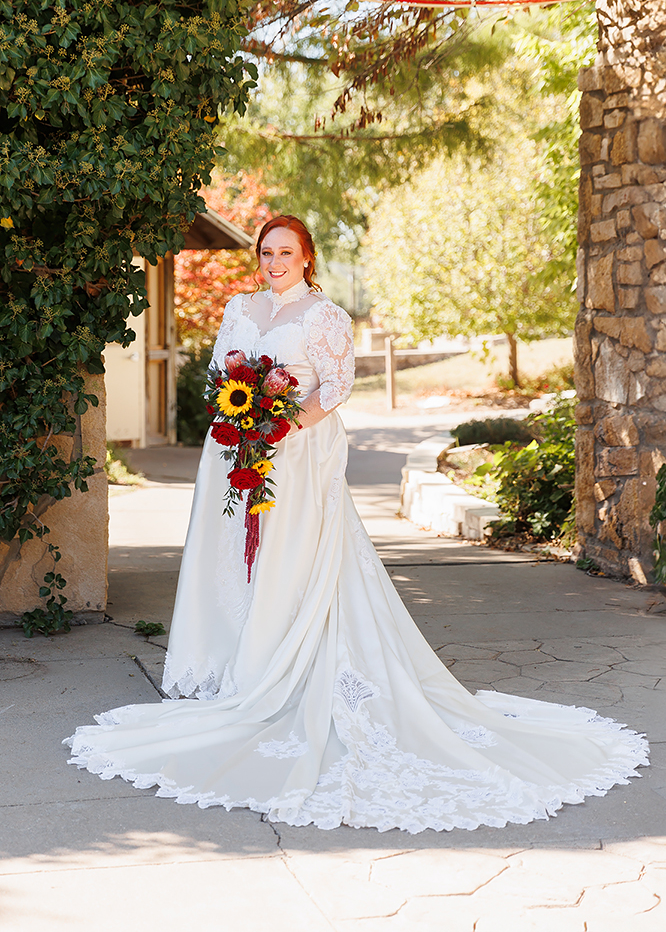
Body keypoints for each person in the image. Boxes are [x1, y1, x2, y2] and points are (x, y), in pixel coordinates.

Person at [65, 215, 648, 833]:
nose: (274, 261)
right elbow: (220, 380)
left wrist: (280, 427)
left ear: (307, 257)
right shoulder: (238, 307)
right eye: (267, 252)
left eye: (285, 251)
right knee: (232, 558)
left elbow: (335, 388)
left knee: (292, 559)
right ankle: (230, 661)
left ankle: (282, 667)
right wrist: (237, 425)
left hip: (297, 454)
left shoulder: (324, 318)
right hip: (234, 451)